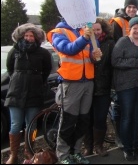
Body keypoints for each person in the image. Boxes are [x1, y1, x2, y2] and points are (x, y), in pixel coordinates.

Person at [47, 19, 102, 164]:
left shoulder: (85, 30)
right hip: (71, 83)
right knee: (68, 121)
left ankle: (76, 152)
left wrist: (95, 56)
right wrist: (84, 38)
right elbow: (68, 49)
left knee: (83, 121)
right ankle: (63, 155)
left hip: (87, 82)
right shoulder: (58, 33)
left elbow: (91, 55)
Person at [5, 23, 52, 164]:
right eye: (26, 35)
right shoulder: (15, 51)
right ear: (21, 36)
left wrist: (37, 81)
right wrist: (18, 79)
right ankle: (13, 155)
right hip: (16, 92)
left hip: (34, 93)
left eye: (31, 35)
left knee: (31, 125)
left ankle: (29, 152)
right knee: (15, 124)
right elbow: (10, 69)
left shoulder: (43, 53)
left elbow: (47, 70)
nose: (29, 38)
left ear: (36, 37)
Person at [111, 17, 138, 161]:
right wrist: (136, 63)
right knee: (127, 117)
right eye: (135, 28)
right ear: (130, 29)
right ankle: (127, 148)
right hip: (125, 86)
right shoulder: (123, 42)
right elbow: (115, 61)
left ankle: (135, 147)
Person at [83, 18, 115, 157]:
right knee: (86, 118)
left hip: (103, 87)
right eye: (93, 29)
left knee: (100, 118)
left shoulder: (110, 44)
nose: (95, 32)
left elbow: (113, 66)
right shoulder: (84, 44)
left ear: (103, 30)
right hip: (86, 86)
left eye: (98, 29)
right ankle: (88, 147)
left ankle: (99, 146)